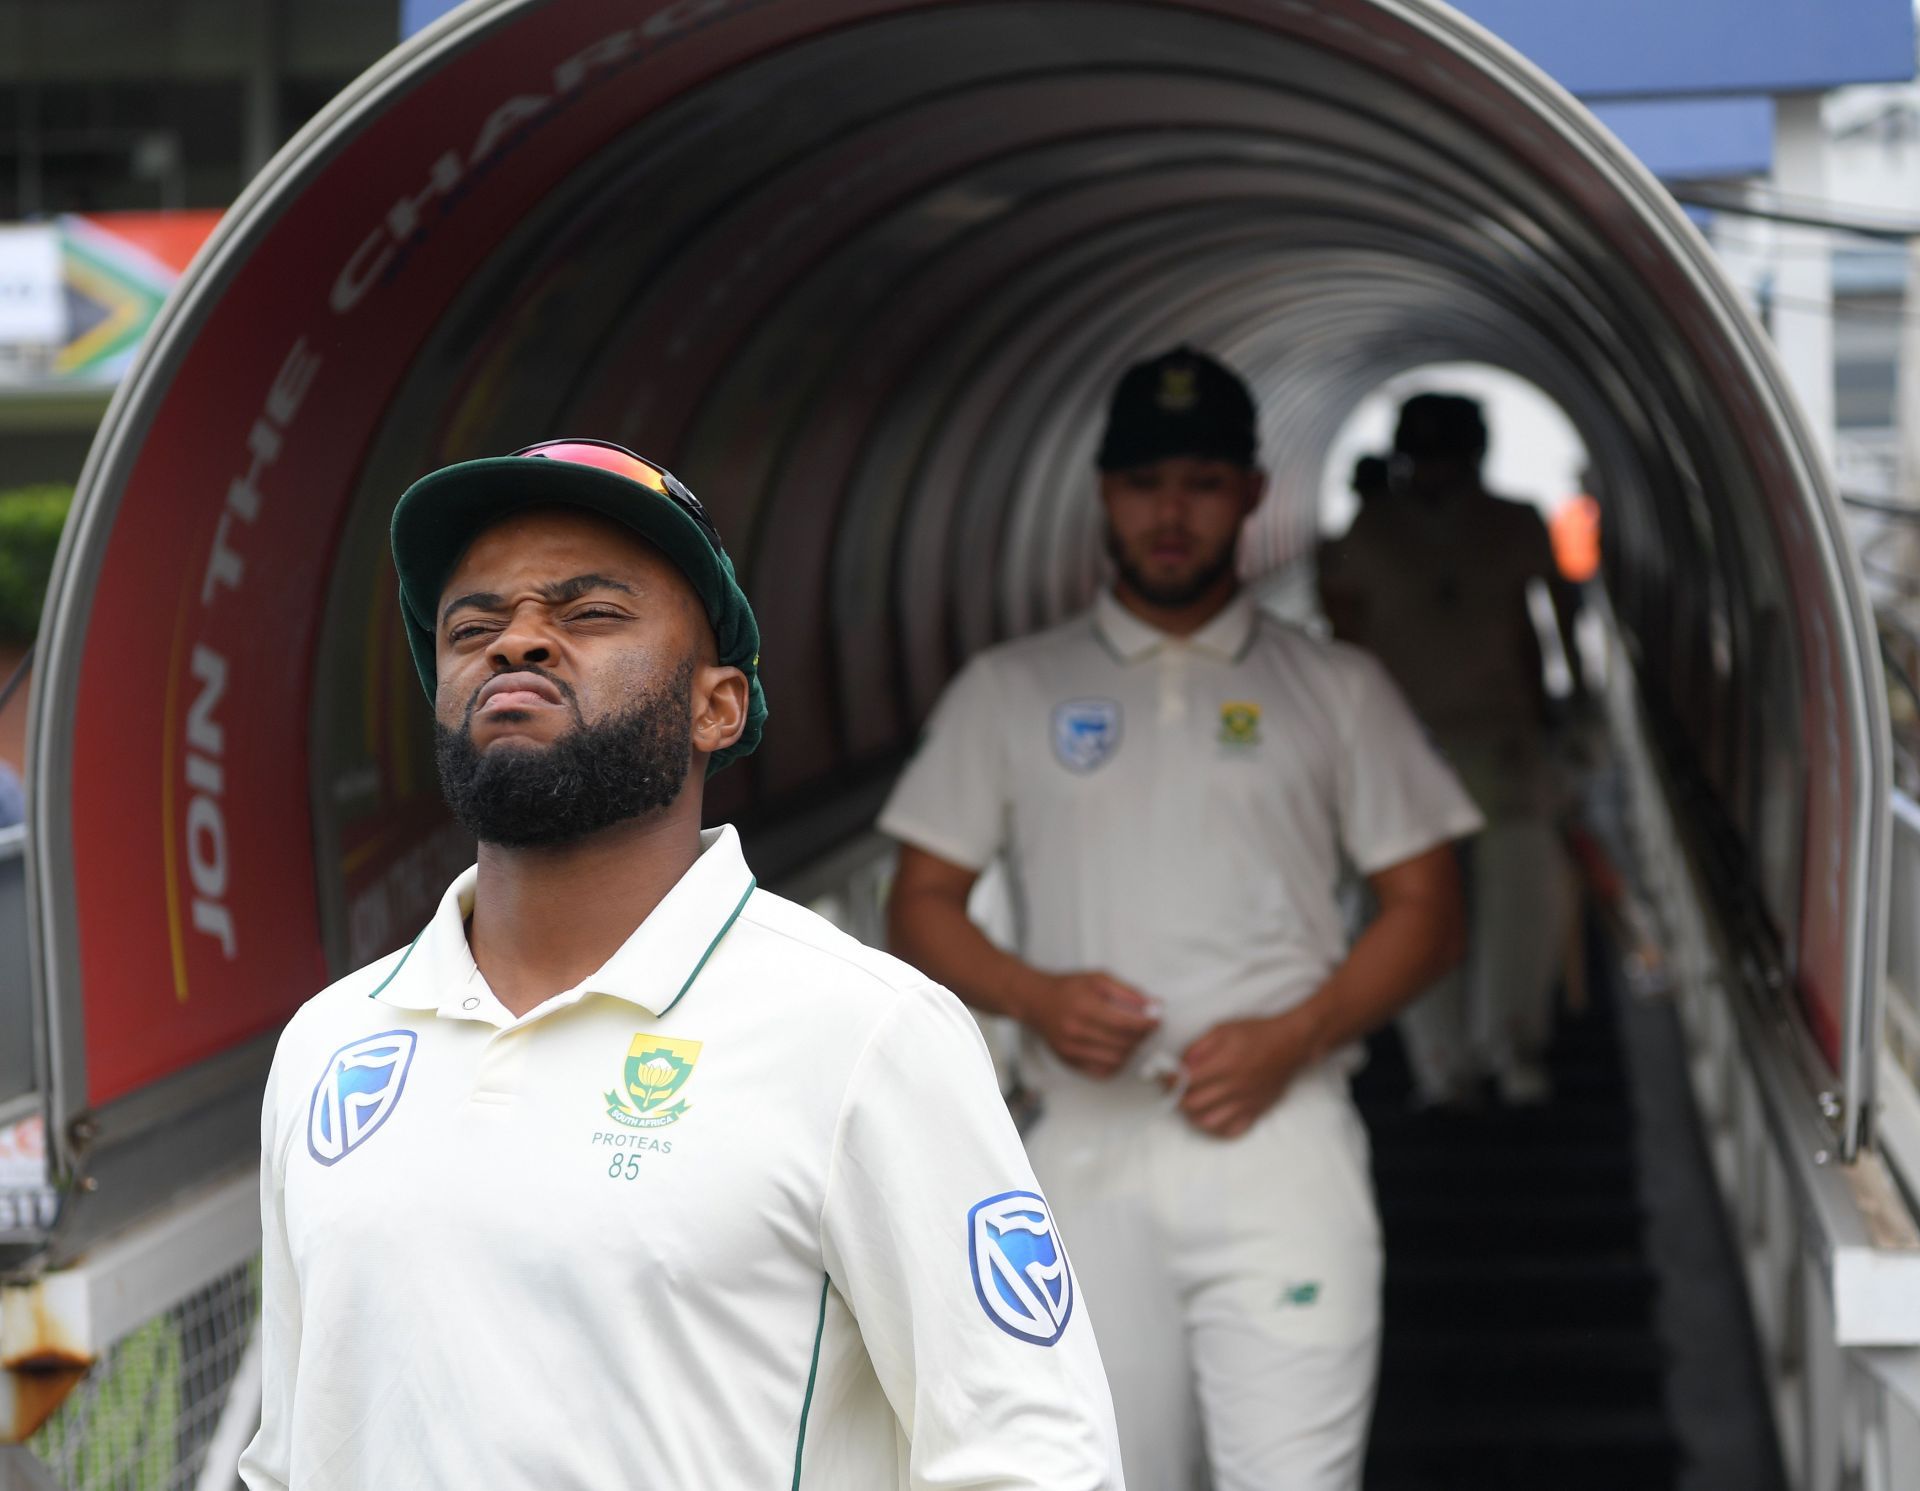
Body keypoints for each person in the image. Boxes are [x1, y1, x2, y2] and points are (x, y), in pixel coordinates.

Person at [241, 440, 1123, 1490]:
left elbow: (1032, 1457)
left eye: (589, 613)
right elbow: (290, 1457)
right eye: (472, 626)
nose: (517, 641)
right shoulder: (330, 1043)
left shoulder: (862, 1033)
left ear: (719, 707)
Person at [881, 349, 1482, 1491]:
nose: (1171, 512)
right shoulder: (1010, 690)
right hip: (1080, 1157)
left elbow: (1430, 910)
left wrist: (1295, 1036)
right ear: (1104, 494)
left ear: (1254, 494)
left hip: (1282, 1144)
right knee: (1101, 1475)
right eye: (1145, 481)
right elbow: (921, 900)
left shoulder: (1336, 687)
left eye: (1203, 482)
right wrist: (1036, 996)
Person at [1318, 392, 1581, 1106]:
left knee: (1515, 890)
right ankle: (1450, 1059)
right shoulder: (1372, 530)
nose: (1434, 471)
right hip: (1409, 744)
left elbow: (1539, 632)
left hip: (1494, 737)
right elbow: (1347, 648)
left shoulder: (1503, 523)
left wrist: (1559, 715)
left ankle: (1504, 1046)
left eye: (1445, 456)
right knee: (1414, 905)